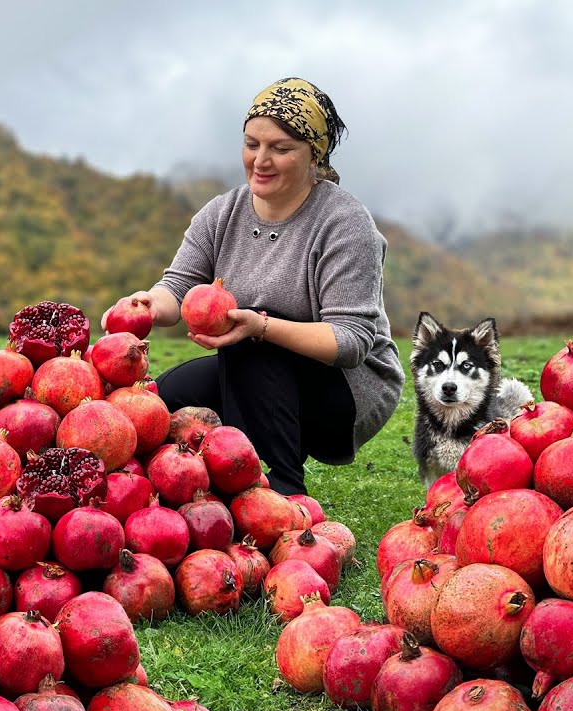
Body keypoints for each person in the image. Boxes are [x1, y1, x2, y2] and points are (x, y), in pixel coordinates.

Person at [108, 78, 403, 497]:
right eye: (252, 144)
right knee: (165, 398)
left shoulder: (344, 223)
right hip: (255, 365)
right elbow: (177, 286)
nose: (260, 160)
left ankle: (276, 496)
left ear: (314, 154)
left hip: (347, 390)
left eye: (280, 149)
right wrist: (148, 304)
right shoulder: (222, 214)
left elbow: (352, 341)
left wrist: (260, 327)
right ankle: (172, 494)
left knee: (251, 343)